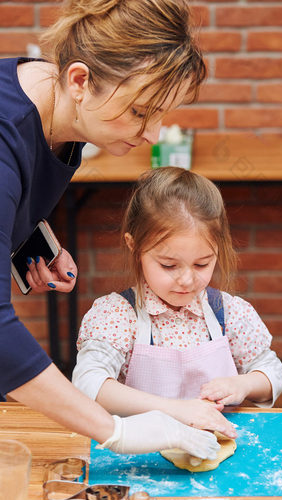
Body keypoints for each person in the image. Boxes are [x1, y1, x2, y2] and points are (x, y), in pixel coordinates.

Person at [0, 0, 224, 460]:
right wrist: (115, 431)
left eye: (162, 113)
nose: (153, 135)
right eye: (140, 112)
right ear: (80, 80)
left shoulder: (68, 107)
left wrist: (26, 240)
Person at [72, 167, 282, 429]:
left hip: (216, 446)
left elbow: (274, 373)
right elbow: (87, 383)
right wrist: (175, 410)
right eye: (168, 265)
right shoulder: (118, 315)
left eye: (201, 264)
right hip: (142, 451)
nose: (187, 280)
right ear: (134, 246)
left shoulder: (228, 312)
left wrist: (243, 384)